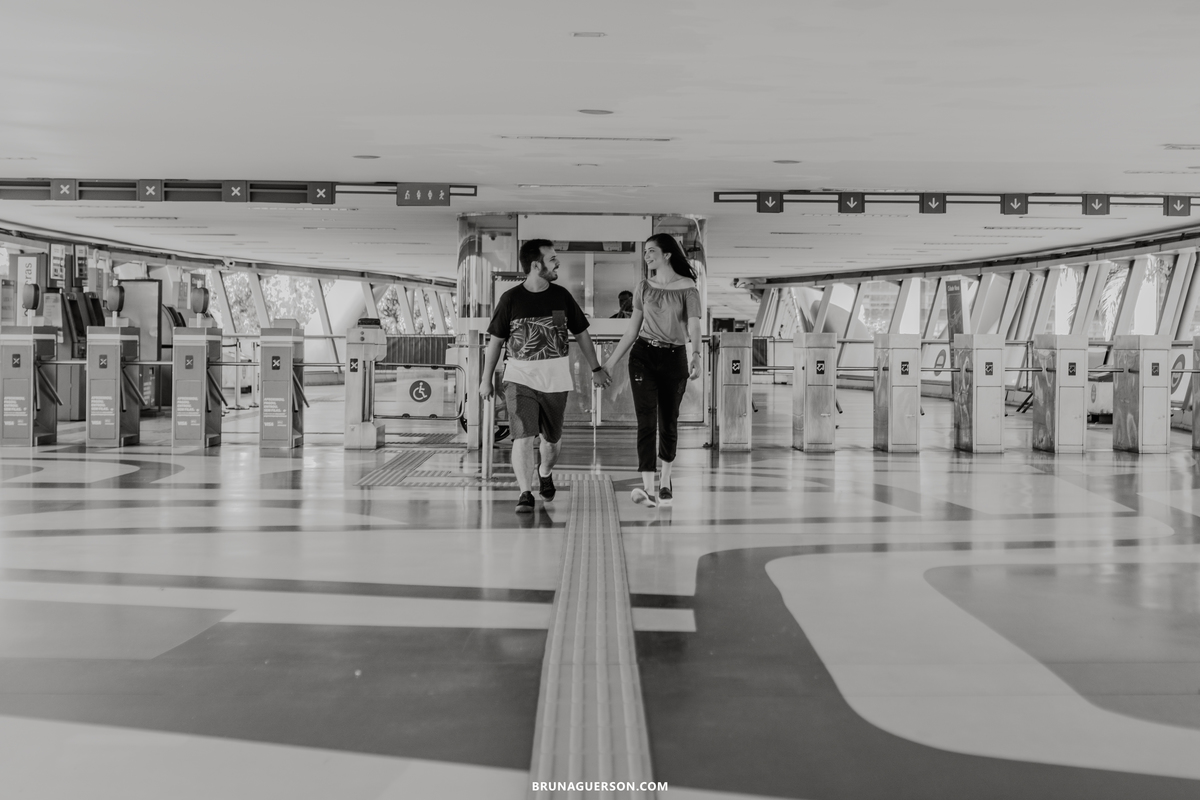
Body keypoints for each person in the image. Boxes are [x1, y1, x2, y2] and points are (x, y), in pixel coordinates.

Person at [479, 239, 610, 513]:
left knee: (551, 441)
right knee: (523, 436)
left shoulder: (561, 296)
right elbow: (496, 341)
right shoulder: (511, 299)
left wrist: (596, 368)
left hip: (555, 380)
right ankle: (525, 492)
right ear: (536, 265)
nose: (557, 263)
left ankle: (545, 472)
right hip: (519, 377)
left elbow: (582, 334)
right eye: (552, 259)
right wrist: (485, 378)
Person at [601, 233, 702, 507]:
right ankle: (646, 487)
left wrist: (696, 354)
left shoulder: (688, 287)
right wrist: (609, 364)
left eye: (651, 251)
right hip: (643, 355)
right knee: (646, 420)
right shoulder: (643, 287)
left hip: (674, 358)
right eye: (644, 252)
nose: (646, 256)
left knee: (668, 421)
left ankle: (665, 480)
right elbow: (631, 330)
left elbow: (693, 324)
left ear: (667, 254)